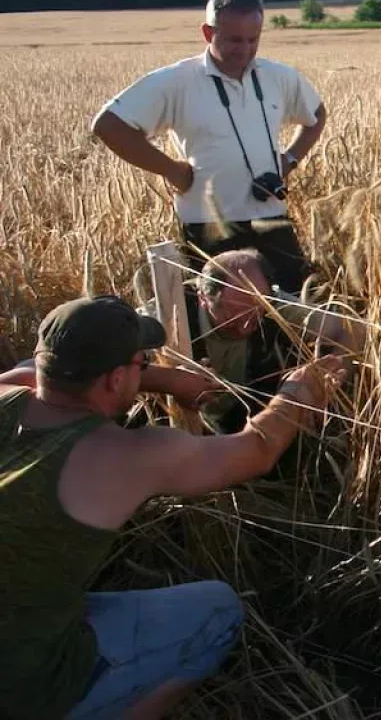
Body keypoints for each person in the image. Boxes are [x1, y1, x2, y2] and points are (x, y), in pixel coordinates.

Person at [0, 294, 346, 719]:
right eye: (141, 362)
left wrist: (168, 380)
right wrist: (297, 392)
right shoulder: (123, 455)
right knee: (218, 611)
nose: (145, 368)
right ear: (115, 379)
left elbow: (28, 372)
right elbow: (257, 451)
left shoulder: (7, 395)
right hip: (21, 688)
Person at [90, 0, 327, 294]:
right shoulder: (176, 81)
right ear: (207, 32)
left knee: (296, 305)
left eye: (253, 39)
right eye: (234, 40)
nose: (244, 49)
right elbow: (108, 125)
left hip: (271, 217)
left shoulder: (278, 77)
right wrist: (171, 170)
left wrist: (289, 159)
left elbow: (316, 115)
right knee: (224, 315)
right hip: (208, 225)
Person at [136, 247, 357, 439]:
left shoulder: (274, 306)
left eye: (256, 314)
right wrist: (171, 379)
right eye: (232, 315)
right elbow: (116, 363)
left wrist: (323, 388)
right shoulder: (165, 313)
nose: (245, 327)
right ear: (203, 298)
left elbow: (353, 330)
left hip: (247, 429)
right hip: (169, 438)